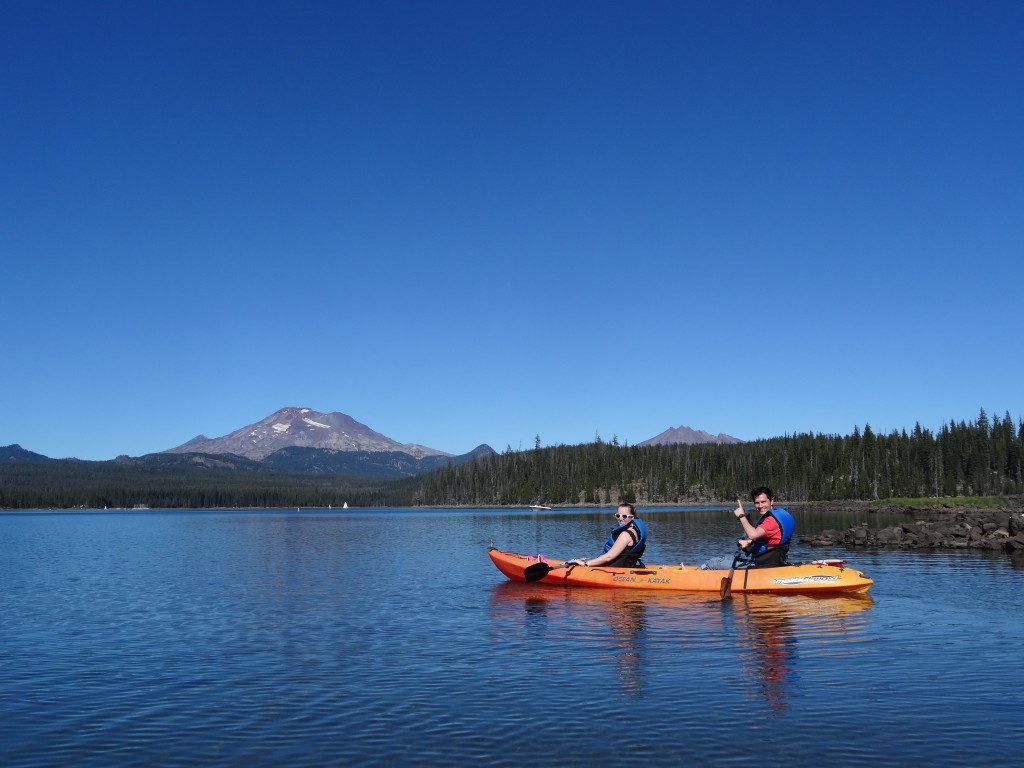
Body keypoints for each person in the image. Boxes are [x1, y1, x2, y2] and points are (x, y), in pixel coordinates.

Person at [700, 487, 795, 569]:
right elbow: (762, 536)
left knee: (712, 563)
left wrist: (741, 516)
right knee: (727, 558)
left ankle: (690, 577)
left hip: (763, 565)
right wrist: (747, 518)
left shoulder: (770, 521)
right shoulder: (781, 514)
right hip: (772, 560)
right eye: (757, 503)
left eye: (763, 502)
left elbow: (753, 535)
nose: (760, 506)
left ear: (772, 501)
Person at [567, 503, 647, 568]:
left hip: (616, 570)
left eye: (624, 516)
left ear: (632, 517)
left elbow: (609, 557)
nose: (620, 518)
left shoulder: (625, 535)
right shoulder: (634, 531)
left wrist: (586, 563)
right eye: (618, 515)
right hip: (626, 566)